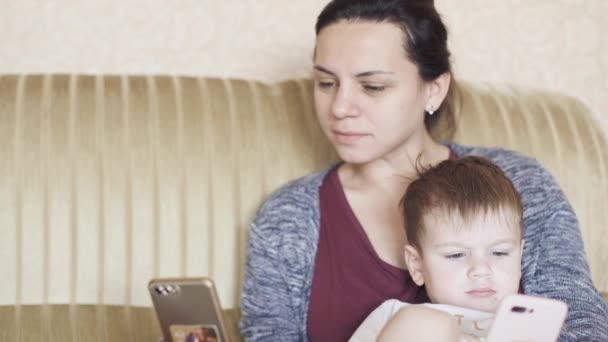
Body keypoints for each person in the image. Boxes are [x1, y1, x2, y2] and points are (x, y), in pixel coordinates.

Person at [240, 0, 608, 341]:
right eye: (326, 83)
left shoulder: (519, 182)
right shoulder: (288, 216)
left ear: (434, 89)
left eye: (372, 85)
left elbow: (581, 324)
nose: (339, 107)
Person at [350, 156, 524, 341]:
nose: (481, 270)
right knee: (426, 323)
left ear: (519, 258)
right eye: (456, 254)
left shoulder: (529, 328)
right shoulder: (397, 315)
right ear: (417, 266)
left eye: (500, 252)